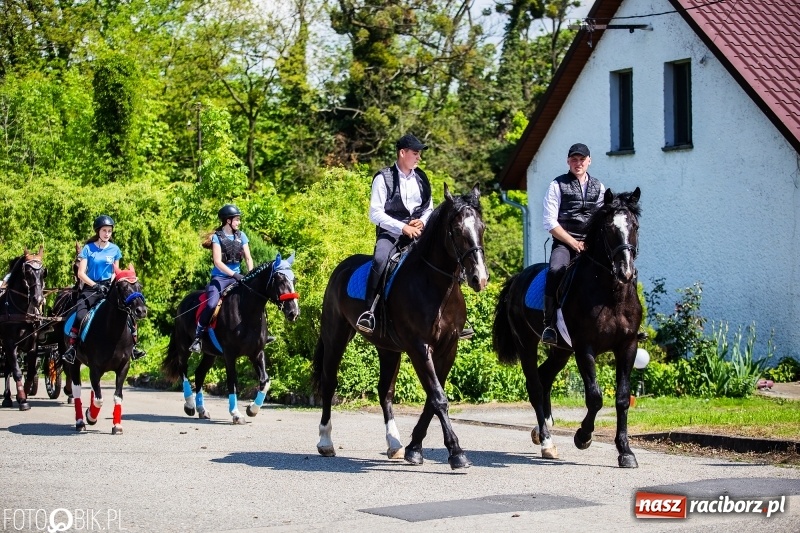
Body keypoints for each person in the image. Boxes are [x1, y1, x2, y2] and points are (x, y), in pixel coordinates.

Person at [541, 143, 605, 345]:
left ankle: (624, 326)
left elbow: (602, 219)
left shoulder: (599, 187)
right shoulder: (557, 185)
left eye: (582, 159)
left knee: (616, 270)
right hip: (564, 243)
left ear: (589, 161)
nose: (578, 163)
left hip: (591, 245)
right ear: (568, 161)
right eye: (574, 160)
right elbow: (550, 222)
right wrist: (573, 242)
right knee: (555, 271)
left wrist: (589, 242)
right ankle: (549, 324)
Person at [62, 215, 147, 363]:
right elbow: (81, 273)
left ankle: (133, 347)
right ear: (98, 231)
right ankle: (72, 349)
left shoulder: (115, 250)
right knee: (81, 316)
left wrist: (112, 284)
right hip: (90, 289)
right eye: (104, 230)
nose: (107, 234)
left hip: (109, 288)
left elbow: (116, 270)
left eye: (109, 231)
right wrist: (95, 285)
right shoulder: (88, 249)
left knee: (128, 313)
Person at [189, 204, 268, 353]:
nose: (239, 222)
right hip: (220, 279)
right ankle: (198, 337)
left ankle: (261, 334)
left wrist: (250, 275)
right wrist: (233, 274)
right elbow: (218, 262)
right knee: (212, 304)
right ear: (228, 221)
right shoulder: (217, 238)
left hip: (239, 278)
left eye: (239, 220)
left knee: (254, 299)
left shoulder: (242, 236)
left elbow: (248, 258)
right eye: (237, 220)